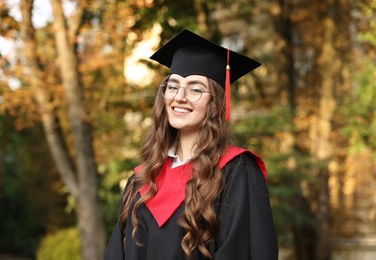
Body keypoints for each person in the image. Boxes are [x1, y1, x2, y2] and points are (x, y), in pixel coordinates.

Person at [104, 29, 278, 260]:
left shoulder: (236, 171)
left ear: (215, 102)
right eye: (173, 86)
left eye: (196, 89)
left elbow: (245, 250)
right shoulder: (141, 180)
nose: (180, 97)